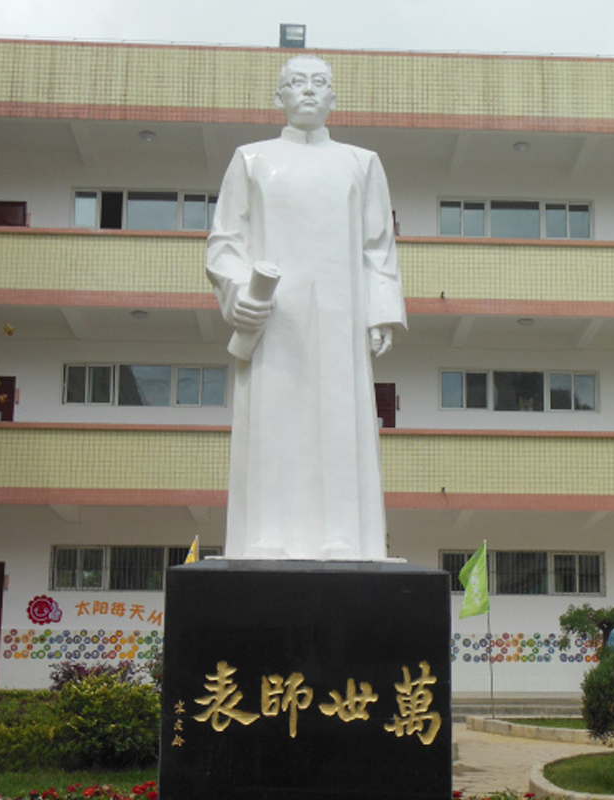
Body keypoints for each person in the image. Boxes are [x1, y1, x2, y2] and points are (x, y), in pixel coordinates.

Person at [206, 56, 407, 561]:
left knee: (340, 420)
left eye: (320, 83)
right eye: (297, 83)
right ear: (279, 97)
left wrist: (381, 309)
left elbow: (378, 245)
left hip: (342, 314)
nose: (309, 91)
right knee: (272, 420)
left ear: (333, 98)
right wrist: (240, 292)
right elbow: (226, 241)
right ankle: (265, 534)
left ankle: (344, 536)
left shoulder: (361, 163)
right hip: (274, 315)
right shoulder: (251, 160)